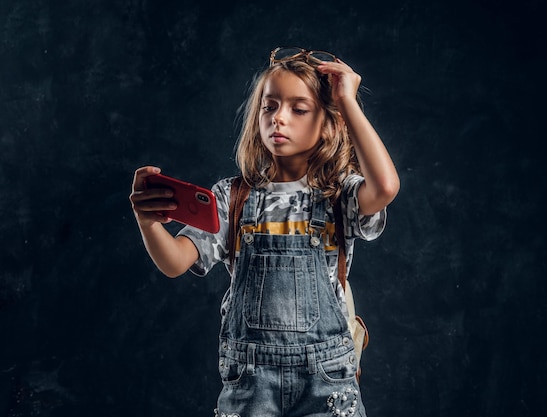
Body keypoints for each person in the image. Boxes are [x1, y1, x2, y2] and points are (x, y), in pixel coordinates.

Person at [129, 47, 400, 417]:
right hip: (251, 380)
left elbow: (384, 187)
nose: (279, 119)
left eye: (298, 109)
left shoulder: (340, 194)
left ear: (329, 124)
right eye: (269, 106)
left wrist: (346, 100)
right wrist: (149, 223)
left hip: (327, 377)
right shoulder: (231, 197)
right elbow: (175, 262)